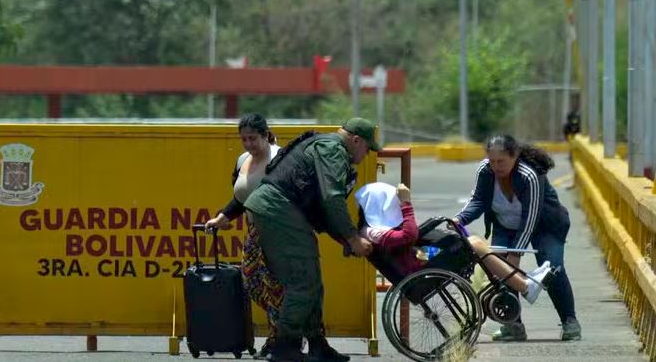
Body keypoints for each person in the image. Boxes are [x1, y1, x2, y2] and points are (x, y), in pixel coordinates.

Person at [243, 117, 378, 362]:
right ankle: (285, 348)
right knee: (302, 284)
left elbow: (324, 210)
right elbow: (333, 200)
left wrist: (348, 239)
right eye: (368, 148)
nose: (367, 154)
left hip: (280, 211)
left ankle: (317, 346)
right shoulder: (333, 150)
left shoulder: (326, 146)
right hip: (279, 211)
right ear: (356, 141)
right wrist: (352, 237)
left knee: (312, 282)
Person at [452, 134, 581, 341]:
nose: (496, 166)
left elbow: (531, 217)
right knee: (499, 269)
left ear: (515, 156)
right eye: (492, 161)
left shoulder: (529, 175)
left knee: (553, 268)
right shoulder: (485, 171)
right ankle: (513, 325)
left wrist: (516, 253)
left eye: (501, 161)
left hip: (544, 225)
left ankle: (570, 321)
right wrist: (458, 220)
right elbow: (478, 201)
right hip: (505, 224)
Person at [356, 182, 552, 304]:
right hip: (418, 276)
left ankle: (518, 283)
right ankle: (524, 287)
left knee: (472, 241)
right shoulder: (373, 231)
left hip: (418, 267)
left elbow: (409, 237)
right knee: (473, 245)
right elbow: (408, 235)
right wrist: (406, 204)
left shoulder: (375, 227)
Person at [204, 113, 282, 358]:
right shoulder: (242, 160)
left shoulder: (281, 159)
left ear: (265, 135)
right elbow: (241, 198)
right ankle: (283, 333)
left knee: (276, 287)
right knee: (252, 283)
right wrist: (222, 217)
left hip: (281, 232)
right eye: (244, 139)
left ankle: (278, 342)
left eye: (253, 139)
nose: (248, 144)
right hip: (254, 232)